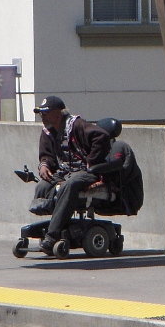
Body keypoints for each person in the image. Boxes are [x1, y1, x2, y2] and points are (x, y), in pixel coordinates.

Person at [32, 95, 112, 254]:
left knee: (69, 185)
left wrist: (91, 162)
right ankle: (60, 221)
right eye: (41, 113)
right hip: (65, 171)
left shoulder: (77, 125)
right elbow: (46, 155)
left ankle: (52, 235)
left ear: (57, 113)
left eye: (45, 113)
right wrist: (44, 165)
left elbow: (101, 136)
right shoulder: (47, 131)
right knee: (43, 185)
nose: (42, 116)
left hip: (86, 172)